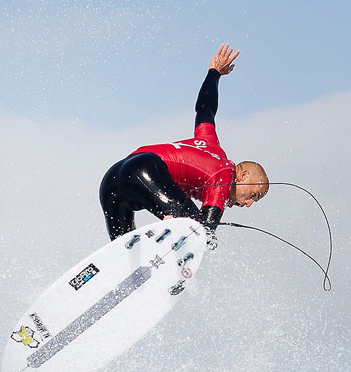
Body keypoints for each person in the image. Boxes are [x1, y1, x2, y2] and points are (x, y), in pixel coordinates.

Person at [99, 44, 269, 244]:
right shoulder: (225, 173)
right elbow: (208, 223)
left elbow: (205, 110)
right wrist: (207, 237)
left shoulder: (209, 143)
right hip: (146, 170)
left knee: (124, 247)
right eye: (254, 195)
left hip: (112, 179)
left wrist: (214, 73)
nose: (249, 204)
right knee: (196, 228)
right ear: (243, 175)